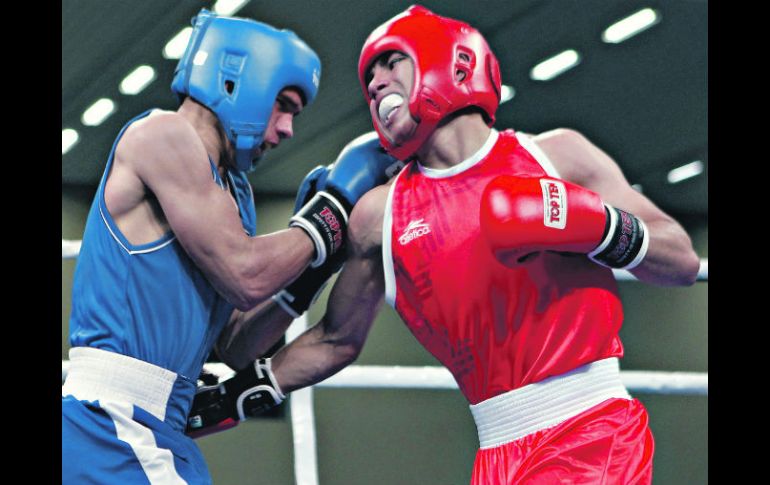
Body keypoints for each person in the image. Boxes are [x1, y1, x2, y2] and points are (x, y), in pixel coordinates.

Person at [186, 5, 701, 484]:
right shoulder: (379, 215)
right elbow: (336, 339)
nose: (376, 83)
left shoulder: (556, 158)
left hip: (594, 433)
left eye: (391, 62)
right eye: (370, 79)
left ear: (453, 61)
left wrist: (602, 227)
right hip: (496, 450)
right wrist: (235, 397)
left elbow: (679, 259)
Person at [61, 8, 397, 484]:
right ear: (239, 79)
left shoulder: (234, 194)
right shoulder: (162, 134)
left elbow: (236, 345)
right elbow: (245, 275)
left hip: (155, 428)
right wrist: (331, 212)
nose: (287, 129)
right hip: (109, 423)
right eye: (283, 105)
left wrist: (314, 268)